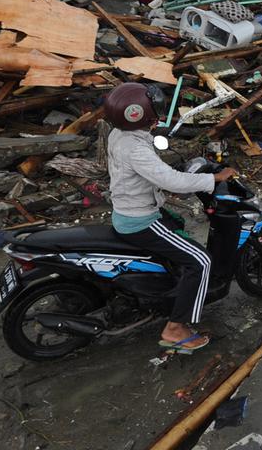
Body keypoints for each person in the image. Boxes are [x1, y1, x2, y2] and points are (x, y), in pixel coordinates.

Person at [104, 82, 238, 353]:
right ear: (137, 114)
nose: (158, 112)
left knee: (177, 224)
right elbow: (171, 181)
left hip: (127, 209)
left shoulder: (118, 134)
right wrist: (213, 177)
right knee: (201, 261)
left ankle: (172, 290)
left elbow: (153, 171)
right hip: (140, 219)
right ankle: (175, 328)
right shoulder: (136, 149)